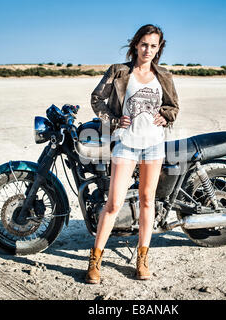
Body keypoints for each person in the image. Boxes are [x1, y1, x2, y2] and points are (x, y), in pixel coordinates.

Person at [86, 24, 179, 284]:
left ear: (159, 48)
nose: (148, 50)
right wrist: (114, 120)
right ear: (136, 45)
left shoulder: (164, 76)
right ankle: (95, 260)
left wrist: (166, 116)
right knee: (114, 202)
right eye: (144, 44)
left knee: (148, 200)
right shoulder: (119, 71)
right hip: (126, 143)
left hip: (153, 145)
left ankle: (142, 258)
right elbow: (96, 99)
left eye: (153, 45)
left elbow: (173, 106)